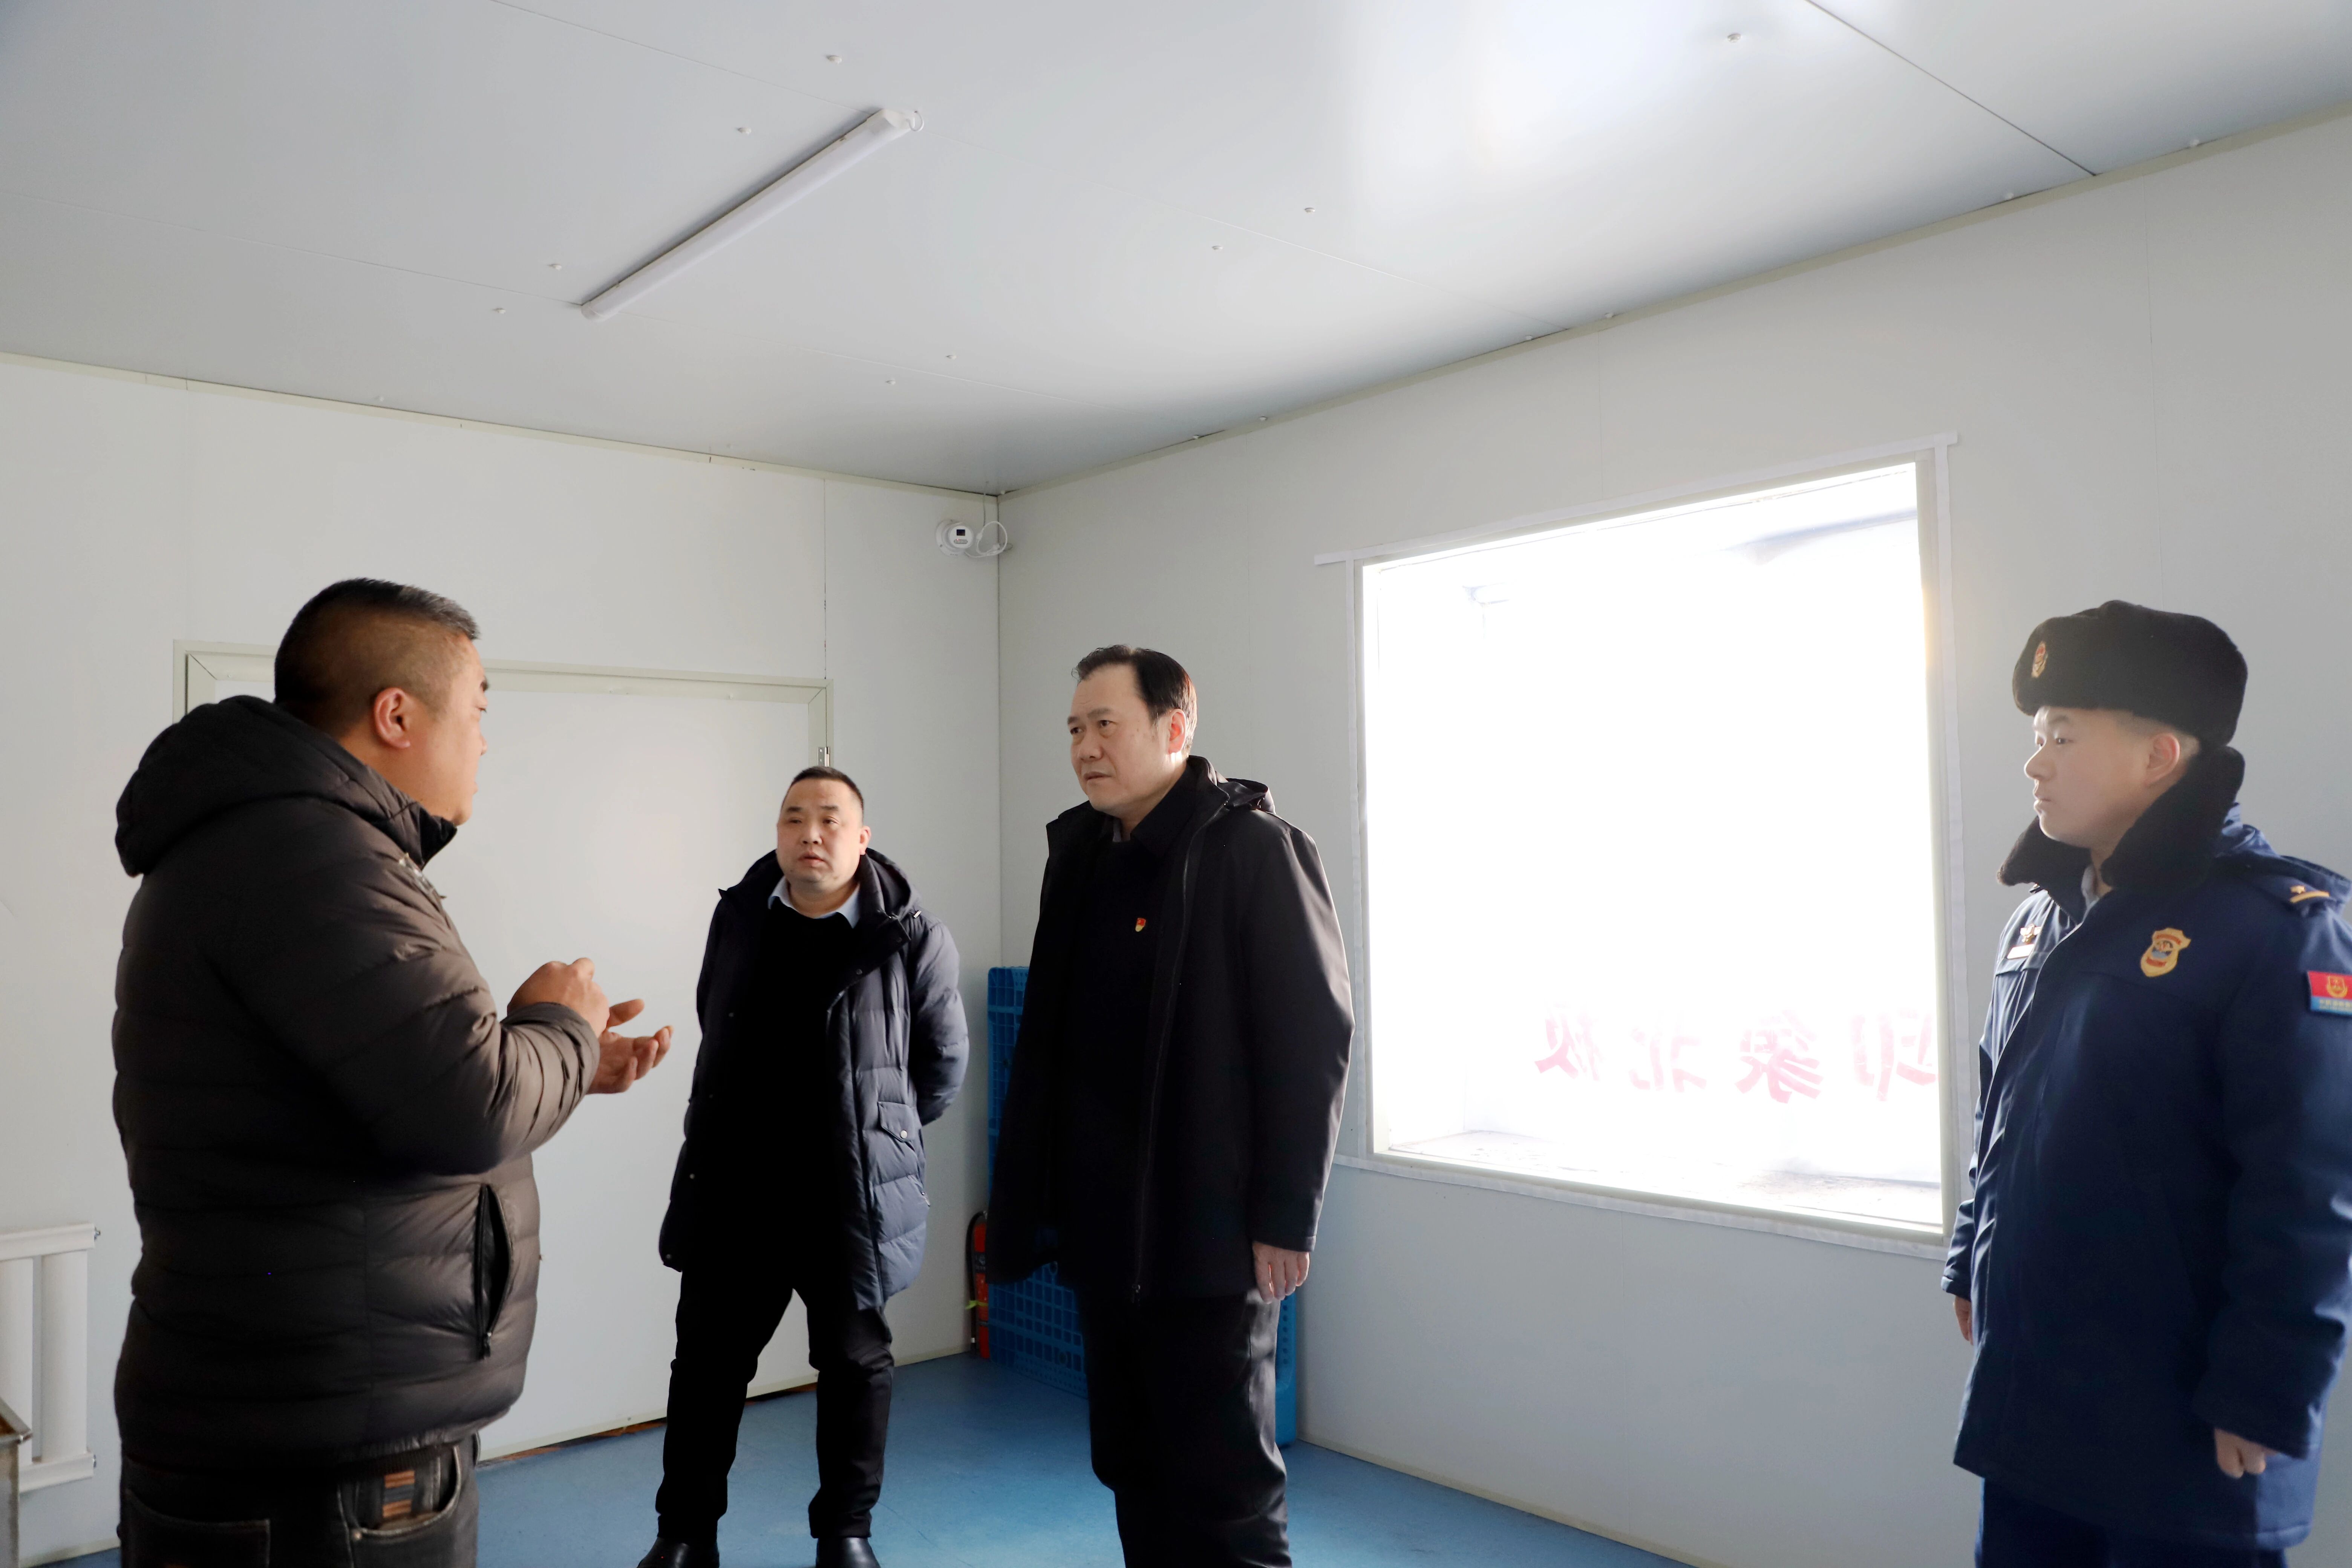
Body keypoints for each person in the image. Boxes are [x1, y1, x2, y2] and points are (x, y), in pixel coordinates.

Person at [110, 578, 673, 1566]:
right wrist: (561, 1022)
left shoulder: (276, 843)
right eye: (480, 710)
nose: (486, 742)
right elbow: (470, 1106)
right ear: (398, 715)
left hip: (296, 1418)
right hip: (323, 1452)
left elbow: (393, 1079)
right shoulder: (310, 854)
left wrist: (568, 1060)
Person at [1945, 601, 2352, 1566]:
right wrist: (1971, 1254)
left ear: (2159, 756)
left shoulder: (2276, 929)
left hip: (2187, 1414)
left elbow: (2311, 1187)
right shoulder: (2040, 922)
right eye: (2036, 736)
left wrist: (2266, 1388)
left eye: (2063, 737)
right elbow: (2000, 1109)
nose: (2035, 763)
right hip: (2035, 1394)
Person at [988, 646, 1354, 1568]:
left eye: (1105, 725)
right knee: (1133, 1464)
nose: (1085, 747)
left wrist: (1285, 1217)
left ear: (1175, 730)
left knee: (1224, 1491)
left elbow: (1310, 1039)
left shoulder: (1253, 850)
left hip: (1209, 1239)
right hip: (1106, 1234)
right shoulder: (1081, 856)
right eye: (1075, 729)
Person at [639, 767, 967, 1568]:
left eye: (829, 819)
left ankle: (845, 1535)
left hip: (847, 1202)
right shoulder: (740, 917)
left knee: (856, 1368)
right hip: (737, 1191)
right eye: (793, 817)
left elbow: (942, 1064)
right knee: (706, 1367)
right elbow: (714, 1017)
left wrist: (878, 1137)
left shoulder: (910, 934)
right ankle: (685, 1535)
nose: (809, 834)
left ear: (862, 838)